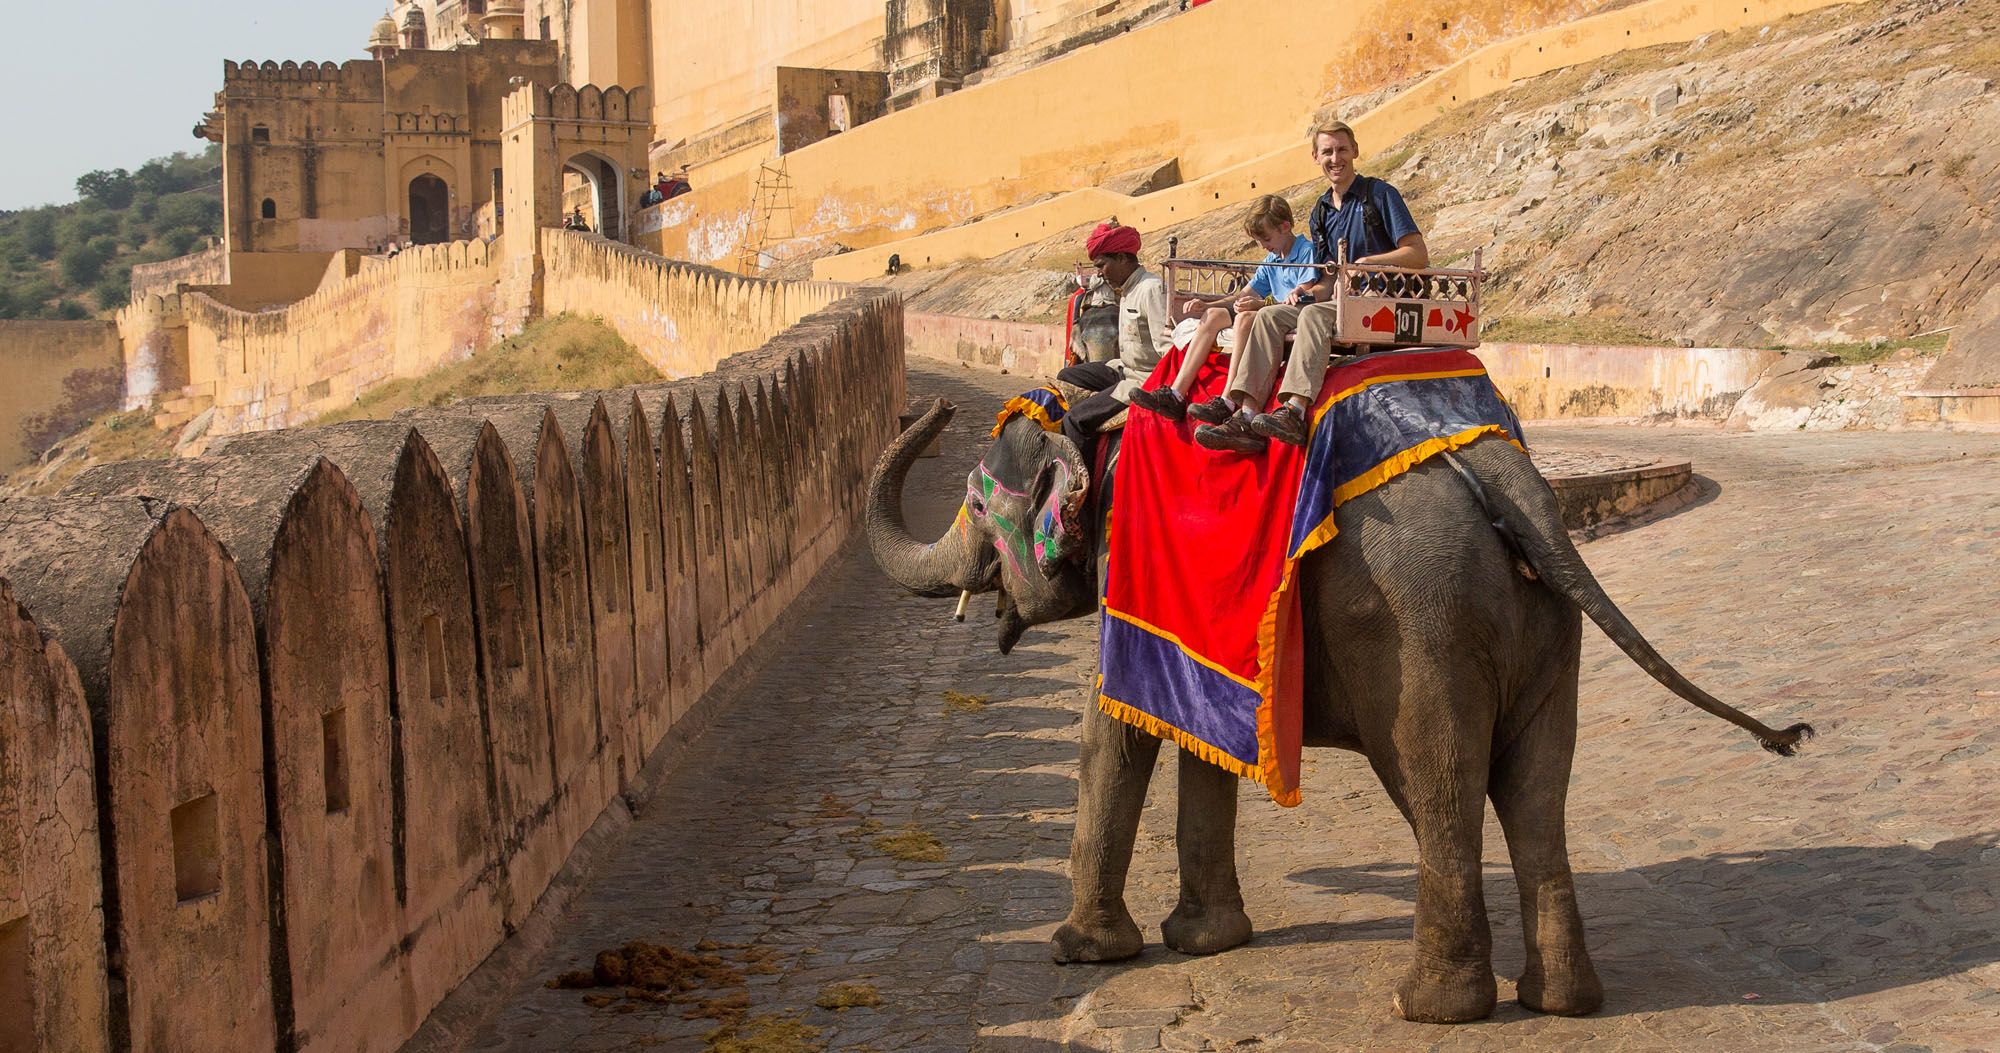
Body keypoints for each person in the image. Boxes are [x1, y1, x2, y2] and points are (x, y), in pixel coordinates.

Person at [1193, 121, 1428, 454]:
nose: (1336, 158)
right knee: (1271, 316)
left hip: (1382, 297)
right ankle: (1246, 415)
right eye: (1328, 151)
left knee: (1314, 317)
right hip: (1342, 299)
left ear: (1355, 151)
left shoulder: (1379, 195)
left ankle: (1295, 410)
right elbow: (1328, 278)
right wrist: (1308, 291)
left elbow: (1418, 254)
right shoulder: (1320, 211)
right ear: (1316, 157)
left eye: (1342, 149)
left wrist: (1368, 264)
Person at [1128, 195, 1315, 421]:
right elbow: (1243, 295)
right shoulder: (1270, 261)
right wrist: (1206, 305)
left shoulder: (1306, 251)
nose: (1264, 245)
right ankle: (1176, 394)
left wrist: (1260, 304)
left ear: (1285, 227)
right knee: (1214, 315)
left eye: (1266, 238)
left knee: (1245, 317)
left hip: (1287, 317)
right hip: (1266, 312)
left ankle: (1227, 400)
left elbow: (1302, 298)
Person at [1058, 221, 1172, 462]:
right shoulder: (1126, 289)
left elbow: (1168, 350)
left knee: (1075, 419)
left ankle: (1083, 490)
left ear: (1121, 258)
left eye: (1102, 265)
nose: (1098, 273)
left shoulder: (1150, 289)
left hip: (1144, 379)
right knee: (1067, 376)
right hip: (1123, 367)